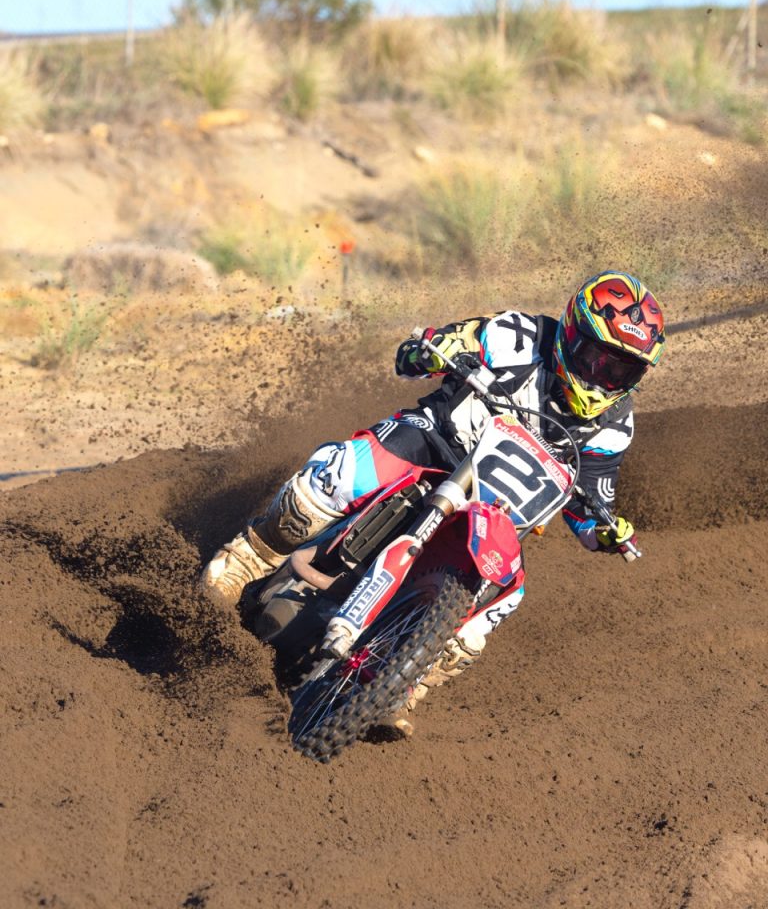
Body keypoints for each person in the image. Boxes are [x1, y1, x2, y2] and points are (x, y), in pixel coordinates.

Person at [201, 270, 666, 733]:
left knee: (507, 596)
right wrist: (429, 351)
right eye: (598, 359)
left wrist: (604, 531)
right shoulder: (517, 335)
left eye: (622, 369)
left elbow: (592, 503)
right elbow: (428, 350)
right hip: (436, 441)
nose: (604, 377)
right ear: (571, 333)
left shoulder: (614, 426)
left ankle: (405, 684)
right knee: (345, 476)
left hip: (494, 510)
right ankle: (248, 558)